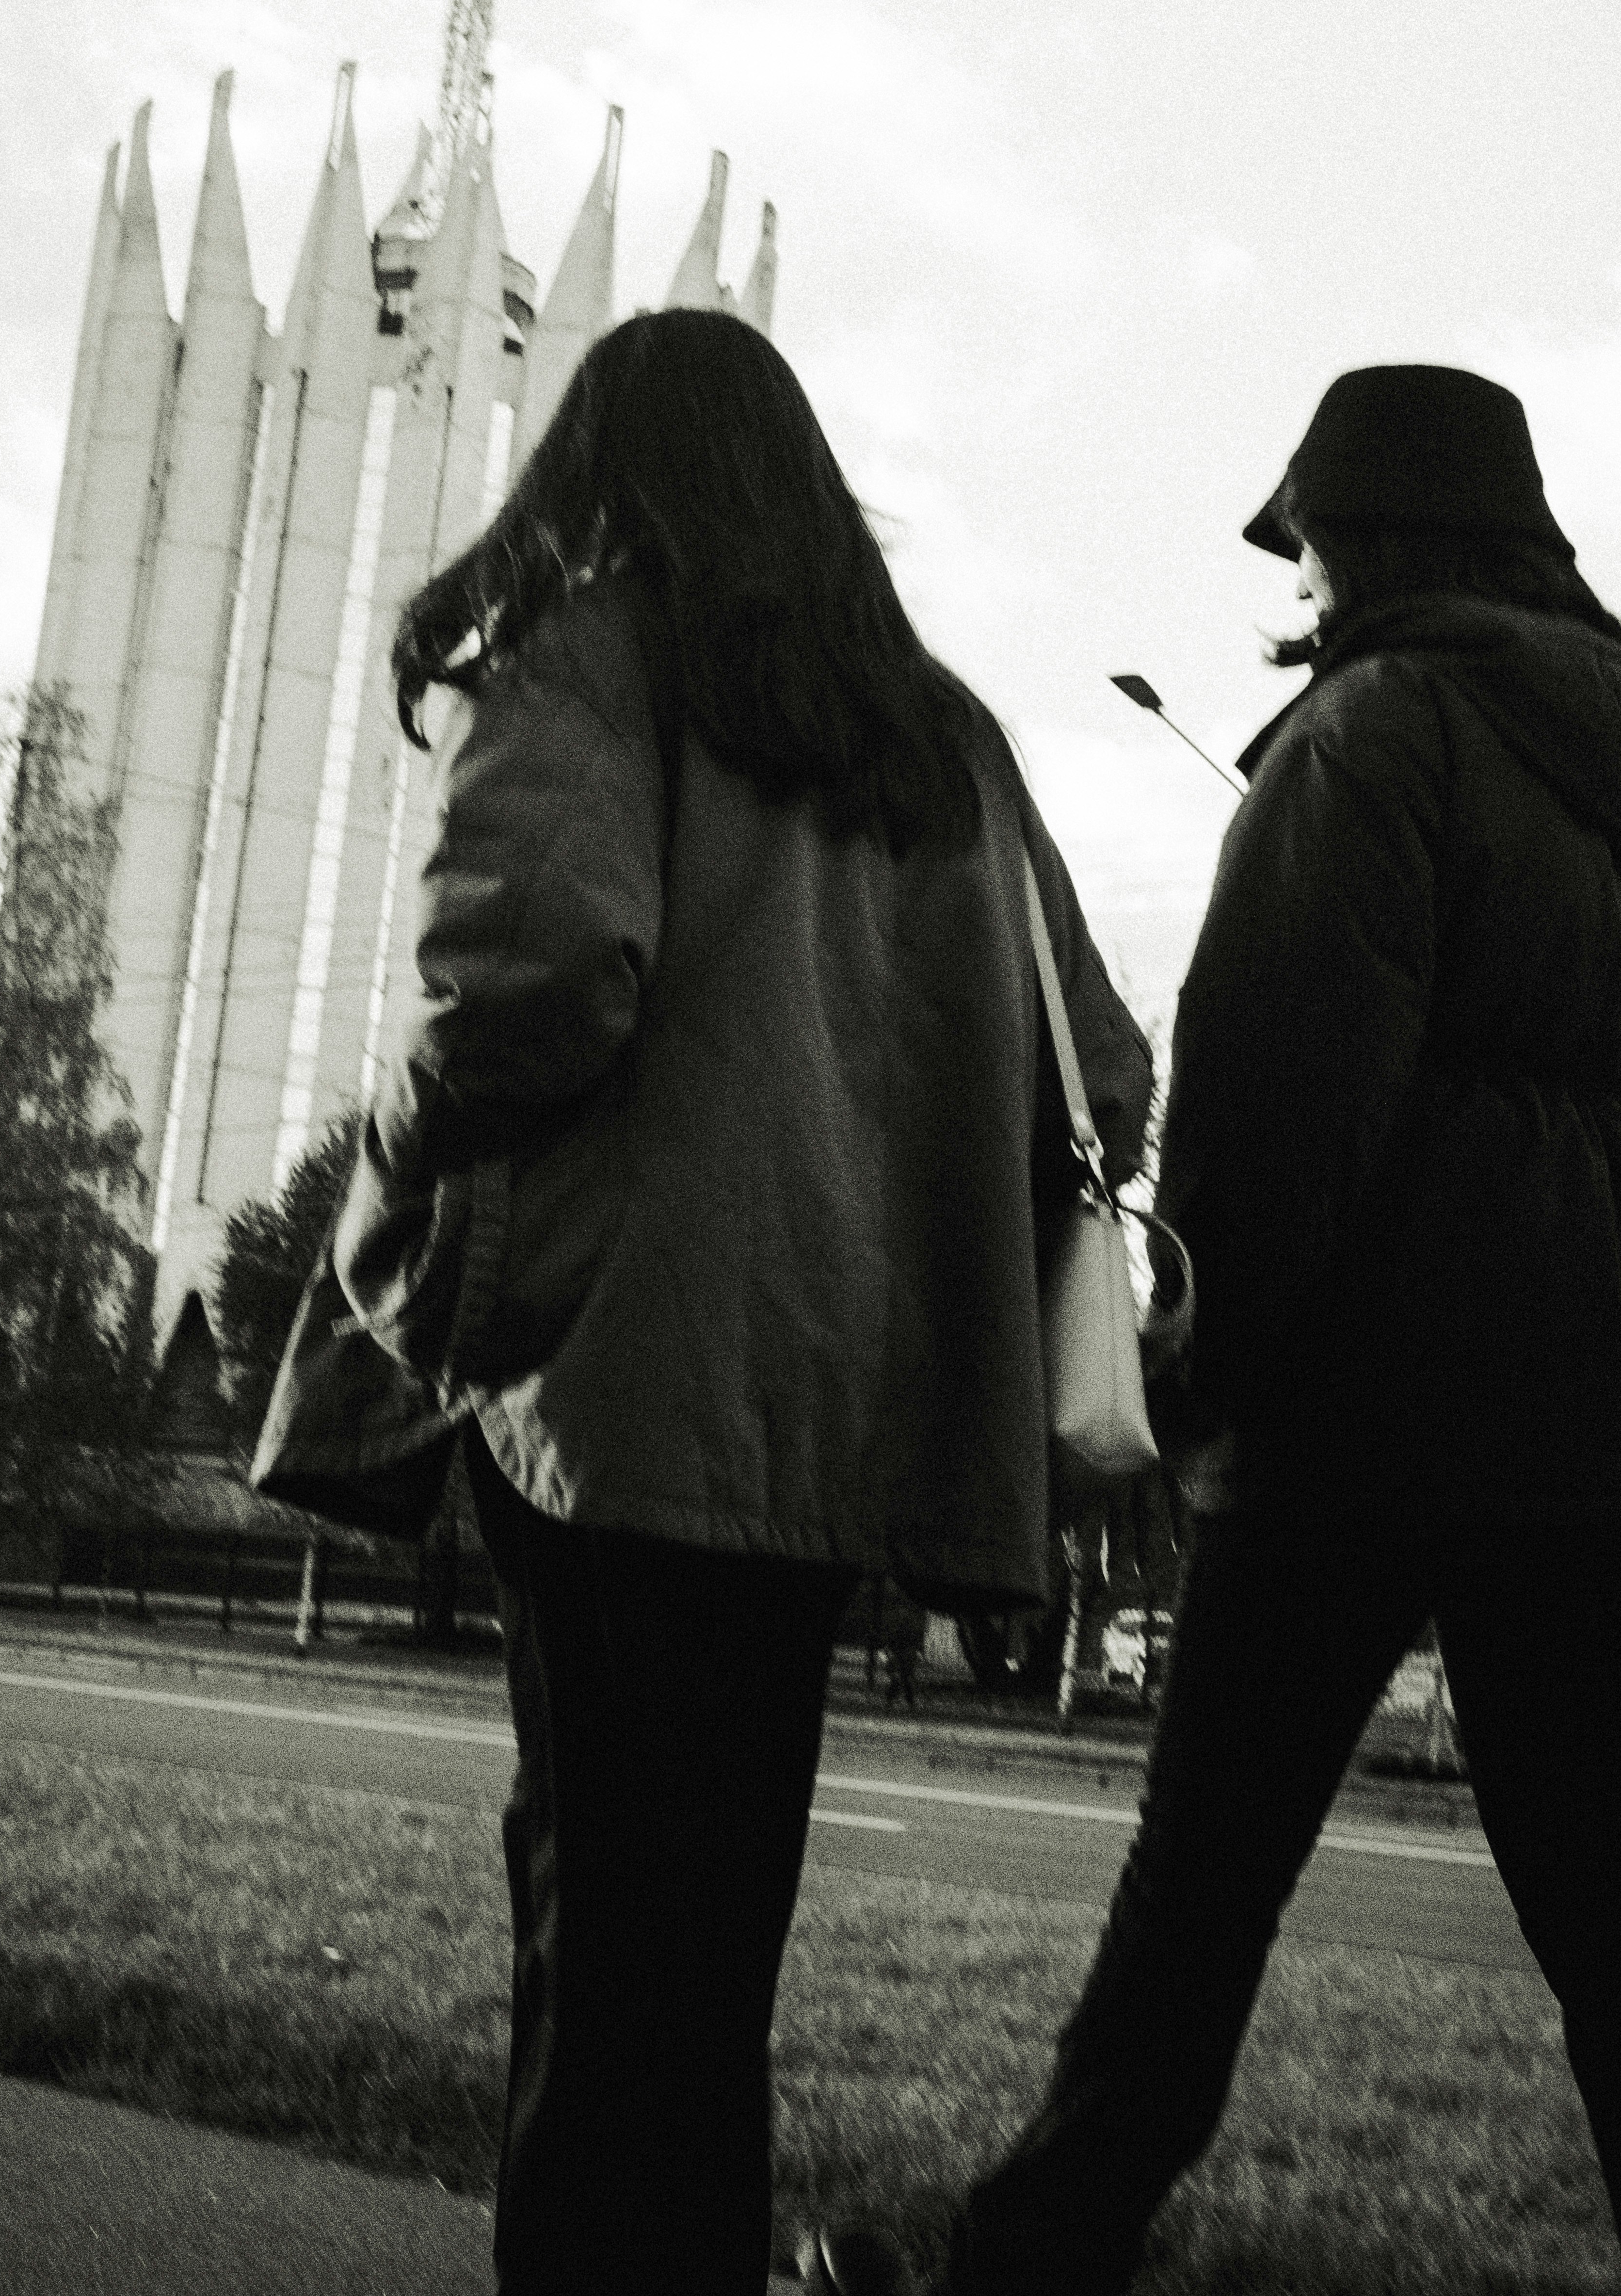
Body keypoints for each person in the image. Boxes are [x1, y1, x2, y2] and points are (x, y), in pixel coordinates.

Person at [947, 365, 1621, 2296]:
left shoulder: (1371, 730)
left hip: (1367, 1388)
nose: (1306, 568)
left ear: (1393, 533)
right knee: (1620, 1911)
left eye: (1317, 529)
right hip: (1589, 1357)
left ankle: (1015, 2268)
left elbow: (1274, 1104)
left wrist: (1189, 1382)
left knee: (1200, 1889)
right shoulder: (1618, 764)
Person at [346, 307, 1152, 2296]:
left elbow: (531, 978)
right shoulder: (937, 732)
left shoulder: (593, 643)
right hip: (840, 1428)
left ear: (594, 467)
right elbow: (1104, 1073)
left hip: (626, 1396)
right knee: (704, 1976)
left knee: (606, 1956)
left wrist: (390, 1132)